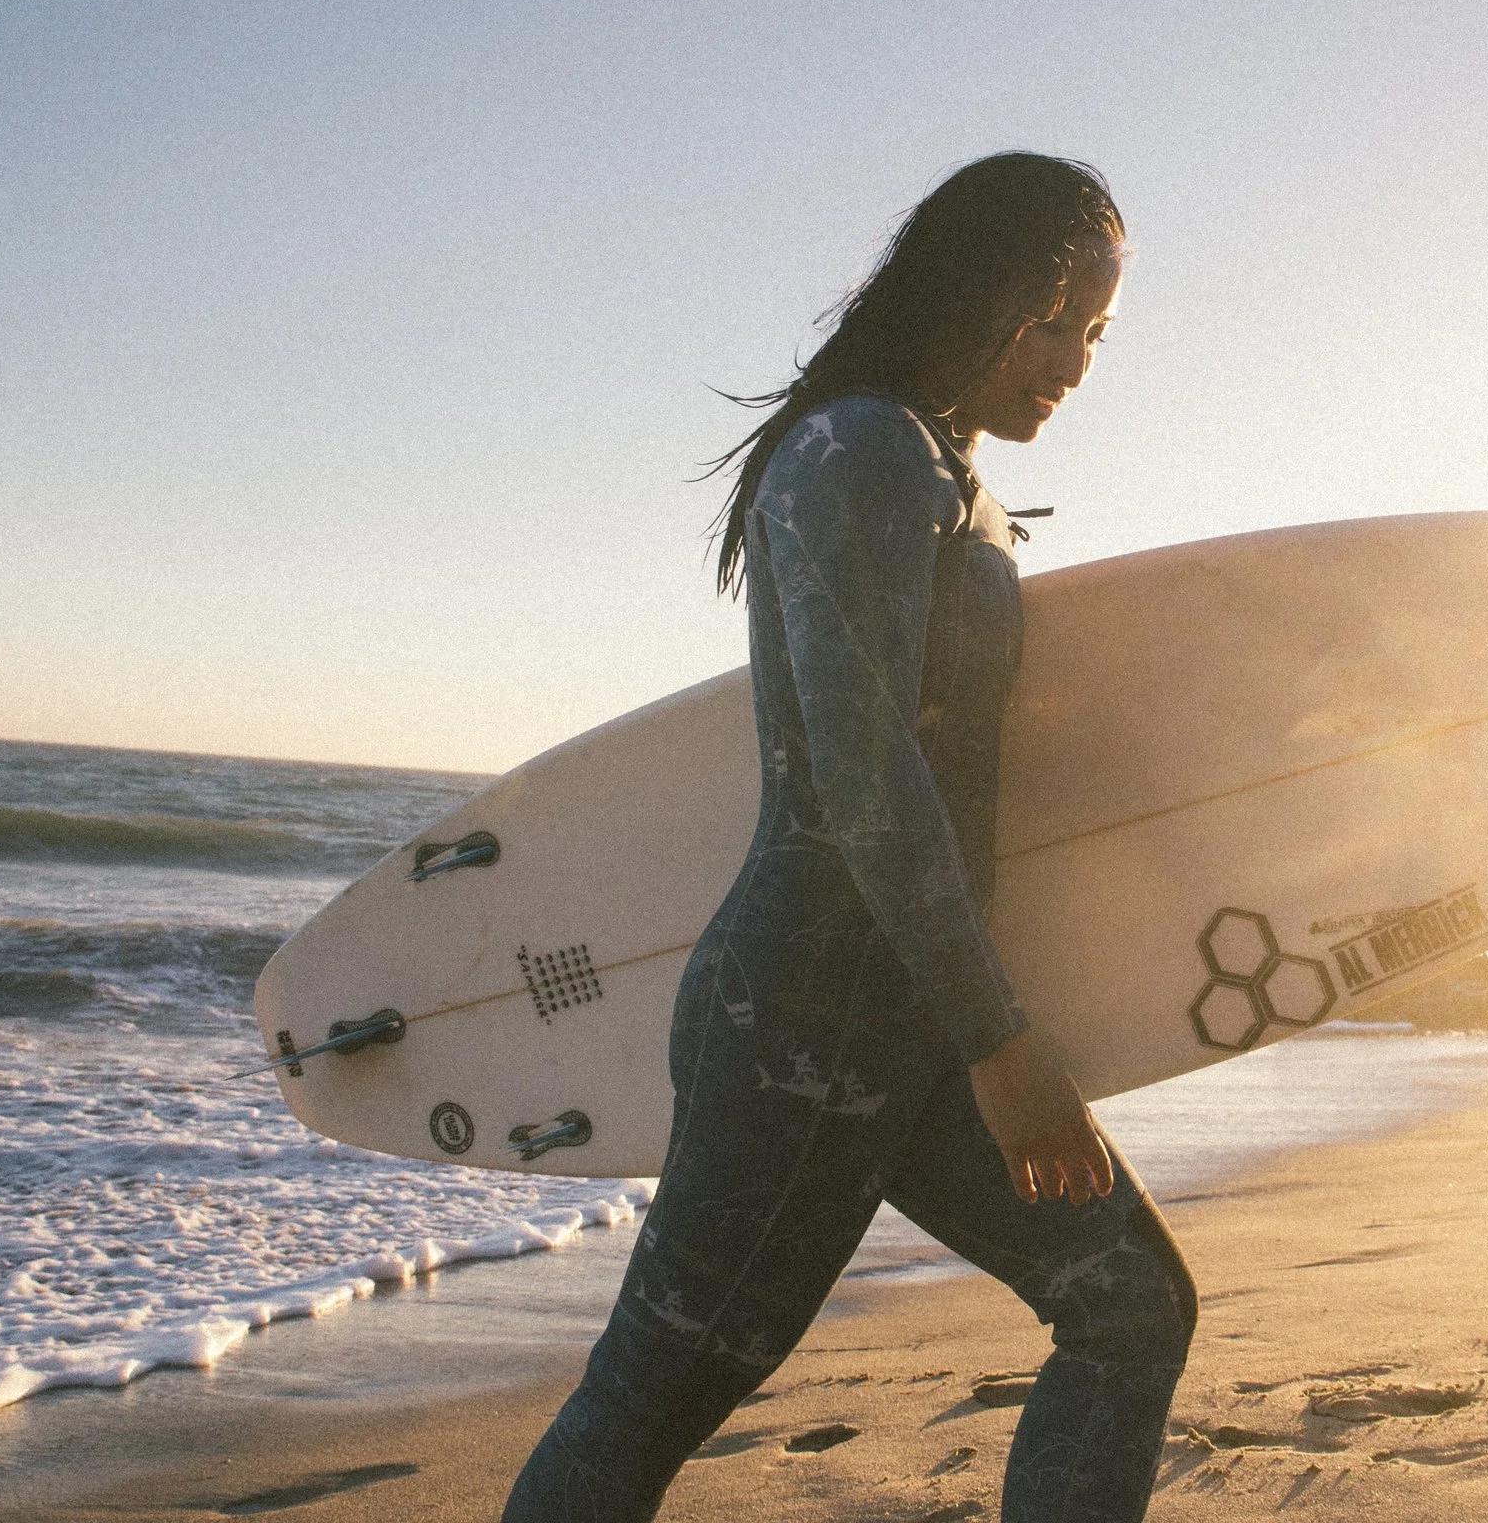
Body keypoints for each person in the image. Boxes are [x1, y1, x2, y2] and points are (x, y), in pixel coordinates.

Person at [503, 153, 1196, 1522]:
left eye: (1098, 335)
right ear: (975, 288)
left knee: (1128, 1308)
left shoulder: (955, 479)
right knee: (650, 1400)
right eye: (1053, 318)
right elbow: (864, 782)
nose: (1072, 360)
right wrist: (1004, 1051)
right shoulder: (861, 450)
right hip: (807, 1024)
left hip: (920, 1013)